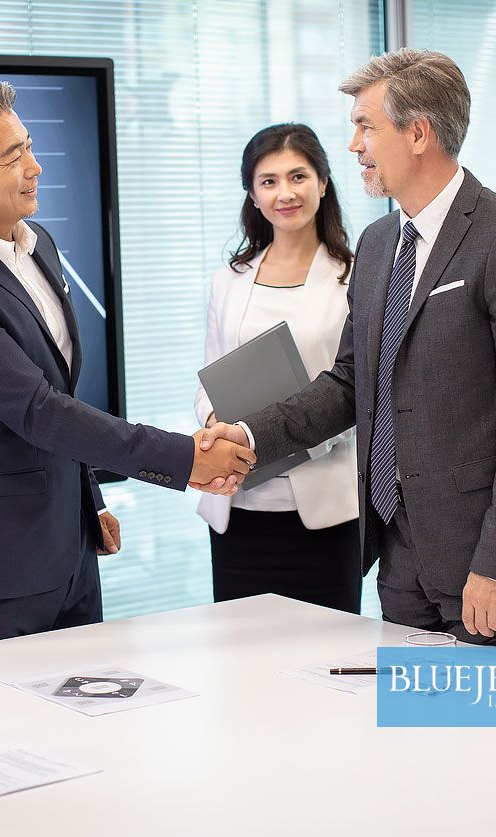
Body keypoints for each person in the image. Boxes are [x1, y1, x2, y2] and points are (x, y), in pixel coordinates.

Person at [202, 49, 496, 646]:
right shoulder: (379, 243)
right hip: (399, 555)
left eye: (366, 126)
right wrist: (249, 435)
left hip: (483, 564)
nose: (354, 145)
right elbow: (350, 382)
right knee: (412, 737)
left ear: (419, 133)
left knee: (494, 738)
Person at [0, 78, 254, 646]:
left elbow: (55, 389)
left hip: (69, 550)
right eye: (13, 158)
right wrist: (184, 458)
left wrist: (87, 502)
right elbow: (39, 411)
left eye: (30, 147)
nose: (35, 167)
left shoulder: (37, 243)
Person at [195, 123, 362, 613]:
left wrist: (273, 439)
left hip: (322, 512)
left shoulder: (354, 277)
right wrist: (215, 428)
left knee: (326, 663)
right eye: (268, 181)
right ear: (252, 192)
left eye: (298, 177)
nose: (284, 193)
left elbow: (356, 390)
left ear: (323, 183)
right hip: (239, 511)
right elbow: (209, 371)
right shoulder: (231, 278)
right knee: (243, 663)